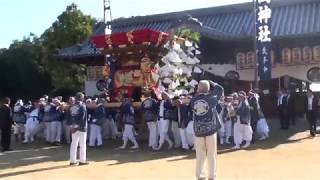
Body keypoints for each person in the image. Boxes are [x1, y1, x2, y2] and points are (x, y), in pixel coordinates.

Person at [190, 80, 223, 180]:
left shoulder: (193, 100)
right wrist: (213, 83)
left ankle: (200, 175)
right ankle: (212, 176)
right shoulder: (211, 98)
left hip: (198, 131)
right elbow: (220, 89)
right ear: (208, 89)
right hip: (210, 130)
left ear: (198, 89)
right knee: (211, 155)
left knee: (200, 155)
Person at [69, 92, 89, 166]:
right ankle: (82, 160)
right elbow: (82, 118)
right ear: (81, 98)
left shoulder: (71, 106)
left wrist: (72, 127)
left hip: (73, 127)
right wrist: (77, 126)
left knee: (74, 144)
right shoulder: (82, 106)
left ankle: (72, 160)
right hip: (81, 127)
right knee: (82, 144)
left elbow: (69, 117)